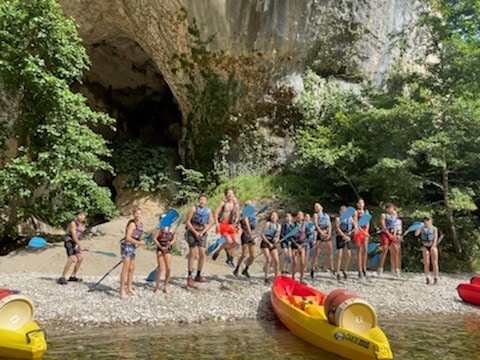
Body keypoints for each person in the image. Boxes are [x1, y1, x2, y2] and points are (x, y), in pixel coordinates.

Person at [185, 194, 214, 287]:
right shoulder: (193, 209)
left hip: (202, 233)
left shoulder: (208, 211)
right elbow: (188, 221)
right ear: (198, 201)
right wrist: (195, 232)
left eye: (204, 200)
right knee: (192, 254)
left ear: (206, 202)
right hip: (192, 232)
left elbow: (210, 223)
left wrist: (202, 232)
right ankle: (189, 276)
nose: (202, 201)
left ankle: (198, 274)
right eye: (201, 199)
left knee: (202, 254)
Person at [119, 208, 145, 299]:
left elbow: (138, 237)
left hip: (133, 246)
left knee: (132, 268)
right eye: (136, 213)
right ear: (133, 214)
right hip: (126, 246)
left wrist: (140, 242)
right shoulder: (132, 224)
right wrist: (138, 243)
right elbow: (128, 238)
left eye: (140, 213)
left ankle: (129, 287)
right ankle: (121, 290)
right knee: (125, 268)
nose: (138, 215)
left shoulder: (141, 225)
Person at [212, 187, 240, 268]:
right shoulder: (223, 203)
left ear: (234, 194)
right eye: (228, 193)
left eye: (231, 193)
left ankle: (226, 252)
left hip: (231, 225)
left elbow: (237, 215)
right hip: (223, 224)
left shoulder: (236, 205)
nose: (230, 194)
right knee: (229, 241)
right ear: (226, 195)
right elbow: (216, 213)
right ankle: (219, 251)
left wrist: (235, 222)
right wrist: (217, 224)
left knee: (237, 242)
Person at [58, 211, 86, 285]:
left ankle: (73, 276)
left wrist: (78, 245)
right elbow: (74, 235)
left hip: (75, 243)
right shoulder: (73, 224)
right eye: (80, 215)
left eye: (83, 215)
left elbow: (79, 236)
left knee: (80, 258)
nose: (82, 216)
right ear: (77, 216)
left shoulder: (82, 225)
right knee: (71, 259)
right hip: (69, 242)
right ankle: (62, 277)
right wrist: (79, 245)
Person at [233, 201, 256, 279]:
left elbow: (253, 225)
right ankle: (237, 268)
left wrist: (253, 234)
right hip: (246, 234)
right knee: (244, 254)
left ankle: (245, 269)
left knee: (252, 255)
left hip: (251, 234)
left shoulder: (252, 214)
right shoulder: (245, 214)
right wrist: (250, 234)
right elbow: (245, 222)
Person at [310, 203, 333, 279]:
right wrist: (321, 233)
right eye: (315, 207)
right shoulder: (316, 215)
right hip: (320, 232)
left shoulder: (326, 215)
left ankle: (332, 268)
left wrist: (329, 233)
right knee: (317, 250)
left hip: (326, 231)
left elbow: (329, 224)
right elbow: (316, 225)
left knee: (330, 250)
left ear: (322, 207)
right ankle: (313, 268)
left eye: (318, 206)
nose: (317, 207)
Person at [415, 216, 439, 284]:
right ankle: (427, 277)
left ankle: (436, 277)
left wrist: (433, 246)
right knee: (426, 262)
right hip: (425, 246)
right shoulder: (422, 228)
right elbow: (416, 234)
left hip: (432, 246)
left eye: (428, 220)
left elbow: (435, 238)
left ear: (431, 221)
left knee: (434, 262)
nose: (426, 222)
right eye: (425, 221)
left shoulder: (434, 228)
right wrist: (419, 227)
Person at [152, 225, 176, 293]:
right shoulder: (159, 229)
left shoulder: (170, 229)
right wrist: (160, 246)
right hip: (160, 247)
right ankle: (157, 286)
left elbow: (174, 238)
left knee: (168, 267)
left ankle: (166, 285)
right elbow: (155, 238)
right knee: (160, 267)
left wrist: (170, 243)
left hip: (168, 248)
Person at [377, 203, 399, 276]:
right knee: (385, 249)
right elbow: (383, 226)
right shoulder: (384, 215)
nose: (391, 210)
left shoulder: (394, 215)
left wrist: (394, 234)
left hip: (393, 233)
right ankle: (380, 268)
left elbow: (395, 225)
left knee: (395, 250)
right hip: (385, 233)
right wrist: (389, 234)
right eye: (390, 208)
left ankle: (395, 268)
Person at [260, 211, 281, 284]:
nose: (274, 217)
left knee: (276, 261)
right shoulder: (268, 224)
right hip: (265, 243)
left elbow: (278, 236)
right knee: (268, 259)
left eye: (275, 215)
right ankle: (266, 277)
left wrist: (276, 241)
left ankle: (276, 277)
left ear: (277, 217)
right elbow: (262, 234)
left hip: (273, 243)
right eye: (272, 215)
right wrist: (268, 243)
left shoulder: (279, 226)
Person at [335, 206, 354, 281]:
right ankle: (337, 271)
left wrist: (350, 234)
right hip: (340, 237)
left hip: (347, 236)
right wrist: (344, 236)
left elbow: (355, 226)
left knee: (348, 255)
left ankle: (345, 270)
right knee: (339, 254)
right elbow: (338, 228)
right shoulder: (338, 219)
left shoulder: (350, 218)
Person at [353, 198, 370, 279]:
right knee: (359, 250)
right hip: (359, 232)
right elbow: (356, 223)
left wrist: (367, 232)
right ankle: (359, 270)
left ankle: (364, 268)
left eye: (362, 203)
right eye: (359, 203)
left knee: (365, 250)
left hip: (365, 231)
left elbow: (368, 222)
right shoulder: (356, 212)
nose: (360, 204)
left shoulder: (366, 212)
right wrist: (363, 232)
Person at [290, 211, 307, 284]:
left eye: (301, 215)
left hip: (302, 244)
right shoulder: (292, 225)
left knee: (303, 262)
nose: (299, 217)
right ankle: (293, 277)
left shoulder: (305, 225)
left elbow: (308, 236)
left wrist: (302, 245)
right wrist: (297, 245)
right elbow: (290, 236)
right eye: (298, 215)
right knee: (295, 262)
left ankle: (301, 278)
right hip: (295, 245)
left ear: (303, 217)